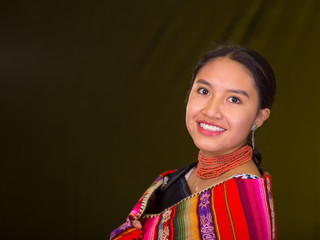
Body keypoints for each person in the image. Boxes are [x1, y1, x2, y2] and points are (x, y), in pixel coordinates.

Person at [110, 45, 277, 240]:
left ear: (259, 117)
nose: (211, 111)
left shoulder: (241, 205)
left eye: (233, 99)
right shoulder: (180, 177)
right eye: (204, 91)